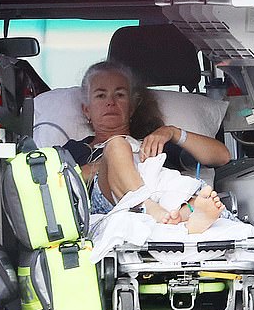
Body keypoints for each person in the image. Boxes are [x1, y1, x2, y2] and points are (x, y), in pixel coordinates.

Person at [64, 60, 231, 234]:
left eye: (119, 95)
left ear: (131, 107)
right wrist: (101, 166)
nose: (111, 102)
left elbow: (222, 156)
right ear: (86, 110)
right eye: (100, 95)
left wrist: (173, 133)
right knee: (117, 144)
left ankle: (181, 218)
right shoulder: (77, 149)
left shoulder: (153, 142)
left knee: (193, 197)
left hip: (162, 202)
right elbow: (53, 182)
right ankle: (149, 208)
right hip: (111, 203)